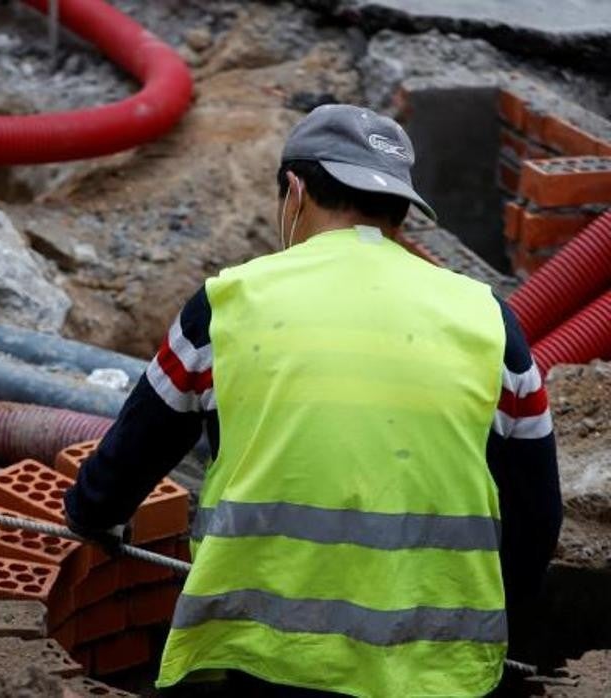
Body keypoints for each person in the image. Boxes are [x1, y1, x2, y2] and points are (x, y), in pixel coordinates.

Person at [63, 104, 562, 697]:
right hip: (437, 670)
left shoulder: (228, 304)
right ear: (402, 210)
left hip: (261, 656)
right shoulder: (489, 319)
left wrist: (91, 517)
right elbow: (537, 516)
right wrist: (489, 616)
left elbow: (126, 462)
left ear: (295, 192)